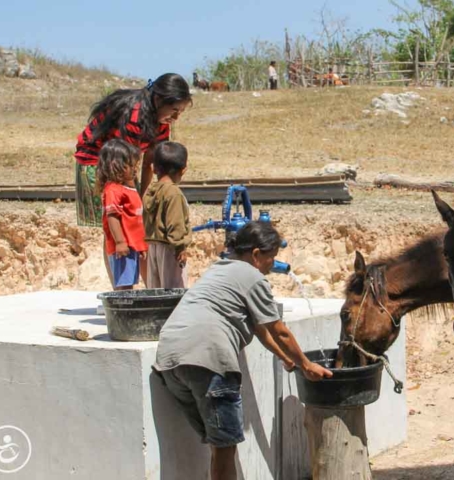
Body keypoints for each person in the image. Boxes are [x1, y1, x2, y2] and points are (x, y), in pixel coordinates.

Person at [154, 221, 333, 480]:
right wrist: (307, 365)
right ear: (257, 255)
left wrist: (286, 359)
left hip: (169, 361)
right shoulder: (253, 277)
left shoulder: (217, 271)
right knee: (225, 449)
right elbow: (279, 330)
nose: (273, 264)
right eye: (272, 258)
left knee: (219, 446)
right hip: (210, 360)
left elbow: (262, 331)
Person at [74, 73, 192, 228]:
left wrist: (143, 199)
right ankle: (114, 252)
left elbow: (150, 163)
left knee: (131, 215)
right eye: (174, 110)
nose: (176, 117)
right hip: (96, 161)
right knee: (114, 220)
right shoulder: (133, 117)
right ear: (158, 100)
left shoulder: (162, 122)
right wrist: (136, 204)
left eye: (181, 112)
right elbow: (124, 165)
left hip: (123, 163)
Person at [96, 139, 147, 290]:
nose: (135, 169)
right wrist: (120, 242)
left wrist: (140, 245)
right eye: (131, 166)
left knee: (129, 282)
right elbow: (113, 217)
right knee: (124, 286)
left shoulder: (127, 189)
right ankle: (123, 311)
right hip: (123, 248)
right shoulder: (114, 190)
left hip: (132, 246)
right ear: (117, 166)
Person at [143, 141, 191, 288]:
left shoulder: (150, 190)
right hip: (170, 249)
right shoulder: (173, 193)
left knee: (156, 289)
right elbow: (175, 223)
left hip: (153, 246)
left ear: (154, 169)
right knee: (173, 290)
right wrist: (180, 247)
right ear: (183, 170)